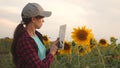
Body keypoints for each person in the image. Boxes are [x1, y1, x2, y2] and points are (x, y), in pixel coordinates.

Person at [11, 3, 59, 68]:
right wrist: (52, 53)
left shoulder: (37, 35)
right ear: (33, 19)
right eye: (42, 17)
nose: (43, 20)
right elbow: (40, 66)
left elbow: (40, 56)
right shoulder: (25, 41)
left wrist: (53, 49)